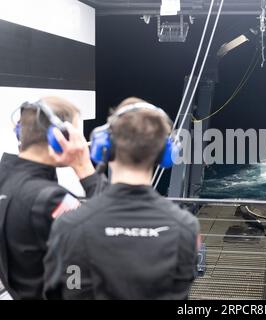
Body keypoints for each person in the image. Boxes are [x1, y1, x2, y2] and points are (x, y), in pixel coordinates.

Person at [43, 97, 200, 300]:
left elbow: (60, 291)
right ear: (165, 153)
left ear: (104, 147)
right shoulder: (186, 228)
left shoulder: (69, 226)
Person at [0, 97, 103, 300]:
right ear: (60, 137)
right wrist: (84, 168)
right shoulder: (52, 200)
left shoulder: (6, 181)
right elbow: (109, 230)